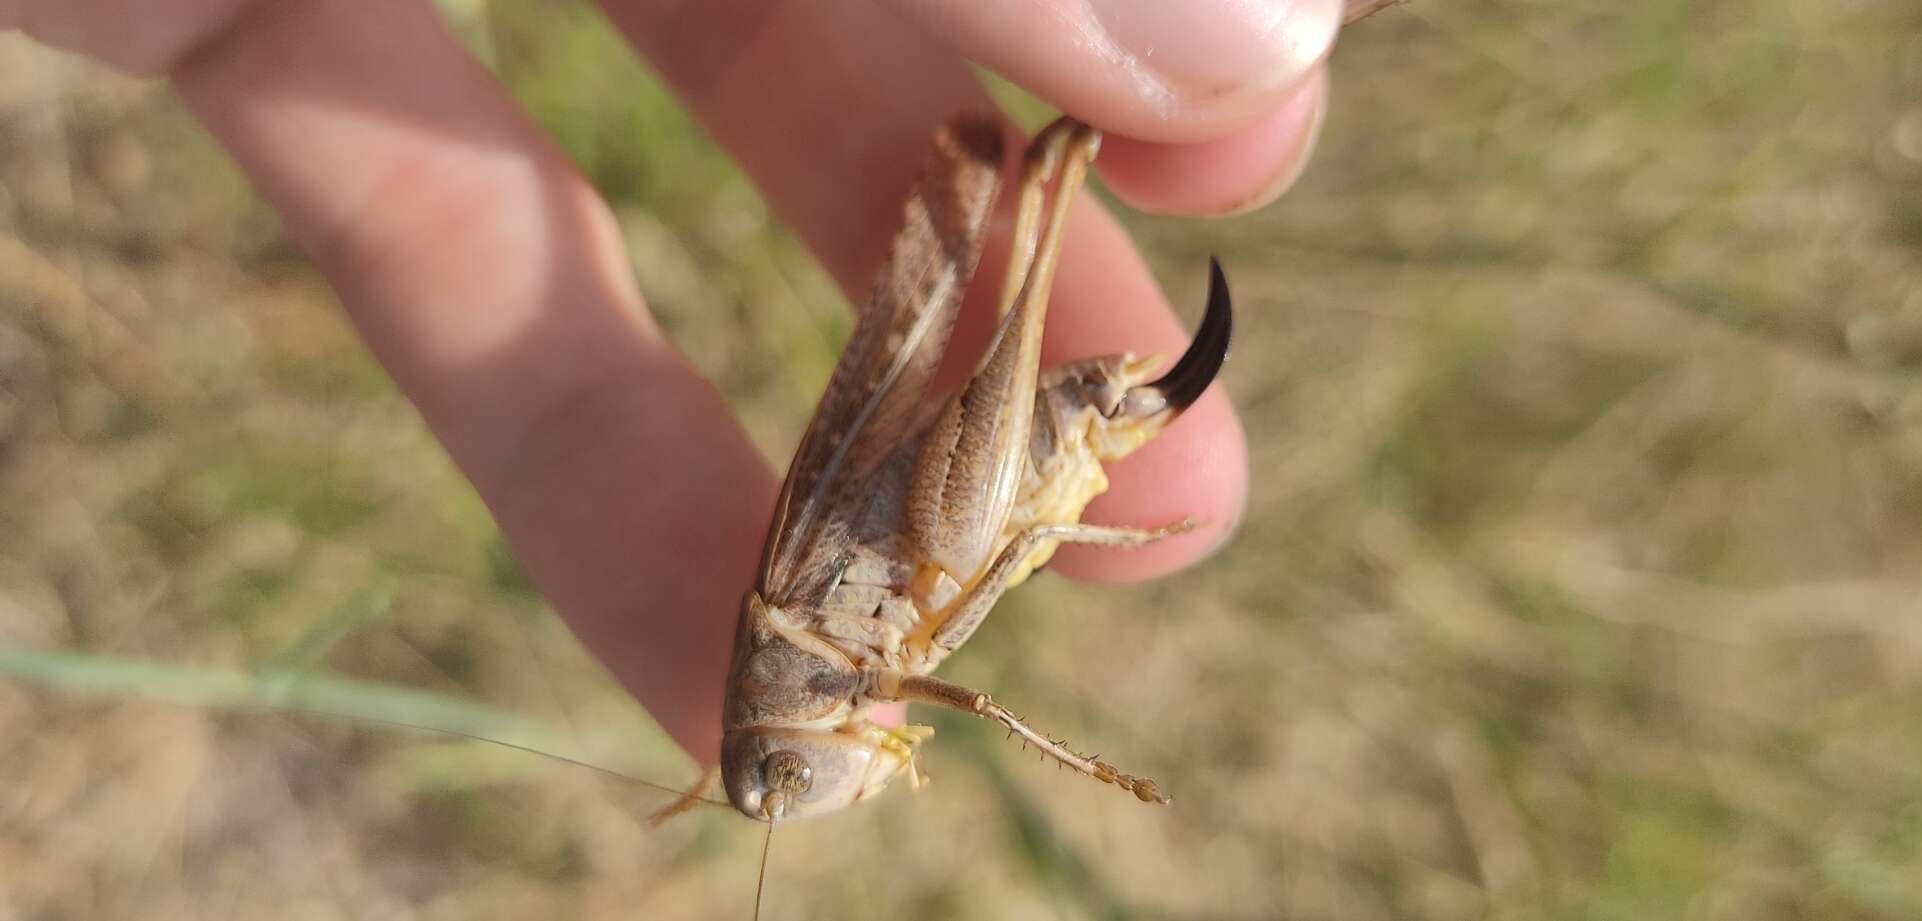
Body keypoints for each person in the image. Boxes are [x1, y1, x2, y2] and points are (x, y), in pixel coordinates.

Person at [5, 0, 1342, 767]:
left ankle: (1048, 191)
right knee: (987, 549)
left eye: (771, 768)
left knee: (980, 532)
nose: (779, 772)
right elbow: (981, 573)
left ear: (783, 717)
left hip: (955, 488)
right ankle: (1043, 199)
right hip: (956, 516)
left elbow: (966, 579)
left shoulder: (829, 656)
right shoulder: (853, 670)